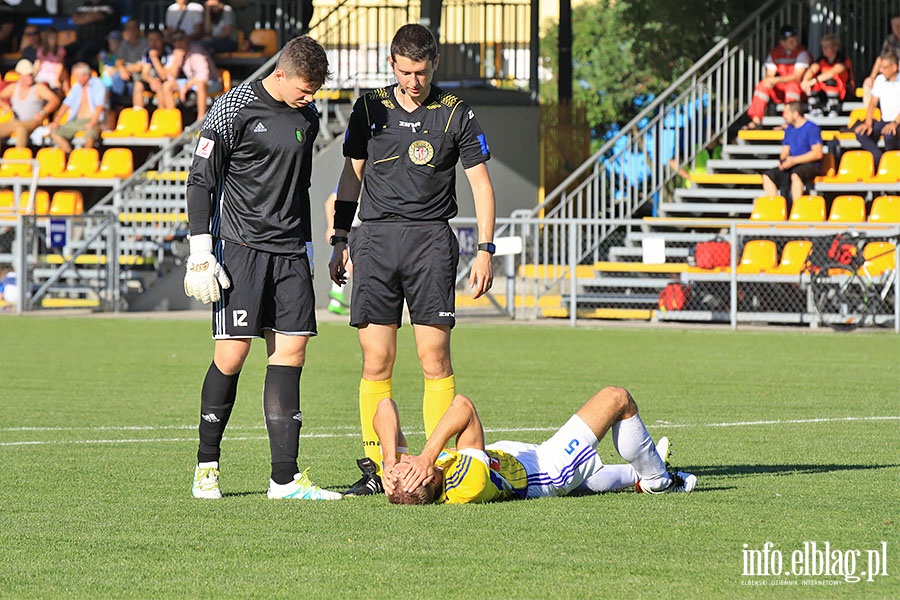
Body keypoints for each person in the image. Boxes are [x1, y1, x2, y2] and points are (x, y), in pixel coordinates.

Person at [328, 23, 497, 496]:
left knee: (433, 357)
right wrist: (340, 239)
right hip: (375, 242)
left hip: (430, 243)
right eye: (404, 72)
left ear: (434, 64)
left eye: (420, 72)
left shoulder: (455, 114)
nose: (413, 82)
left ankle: (439, 463)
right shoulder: (369, 107)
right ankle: (377, 469)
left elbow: (481, 187)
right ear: (391, 65)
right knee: (376, 359)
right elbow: (351, 177)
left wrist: (485, 250)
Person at [183, 36, 339, 501]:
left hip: (290, 254)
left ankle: (284, 480)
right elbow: (200, 180)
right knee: (231, 358)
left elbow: (300, 186)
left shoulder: (308, 118)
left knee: (291, 357)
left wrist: (310, 248)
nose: (310, 99)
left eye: (315, 92)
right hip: (240, 249)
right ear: (281, 74)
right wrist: (200, 249)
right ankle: (206, 468)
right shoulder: (233, 107)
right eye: (305, 89)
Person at [374, 387, 697, 505]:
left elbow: (384, 406)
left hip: (525, 460)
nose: (409, 459)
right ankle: (659, 481)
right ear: (428, 478)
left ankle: (639, 474)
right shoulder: (465, 484)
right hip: (549, 469)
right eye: (407, 466)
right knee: (616, 399)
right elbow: (463, 407)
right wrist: (430, 455)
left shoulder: (405, 475)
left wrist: (389, 460)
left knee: (597, 479)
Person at [743, 25, 811, 130]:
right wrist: (770, 80)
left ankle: (789, 121)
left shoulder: (802, 52)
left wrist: (776, 80)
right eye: (791, 41)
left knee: (791, 86)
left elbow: (797, 77)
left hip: (799, 91)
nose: (795, 43)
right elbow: (770, 74)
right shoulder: (774, 53)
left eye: (795, 40)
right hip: (781, 91)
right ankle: (756, 120)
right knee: (762, 85)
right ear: (782, 43)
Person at [761, 102, 823, 207]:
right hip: (793, 164)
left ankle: (796, 208)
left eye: (786, 113)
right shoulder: (789, 130)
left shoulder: (812, 128)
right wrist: (783, 161)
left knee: (796, 175)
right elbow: (785, 151)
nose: (784, 116)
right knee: (768, 176)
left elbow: (817, 154)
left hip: (810, 164)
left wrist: (794, 160)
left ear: (795, 114)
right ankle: (777, 209)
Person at [0, 59, 61, 149]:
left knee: (21, 129)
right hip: (16, 121)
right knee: (15, 126)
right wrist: (5, 106)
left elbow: (55, 100)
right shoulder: (13, 88)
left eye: (31, 75)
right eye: (28, 75)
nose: (31, 78)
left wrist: (43, 112)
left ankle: (20, 158)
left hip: (33, 121)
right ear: (21, 76)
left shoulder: (38, 88)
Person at [48, 62, 107, 154]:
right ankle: (70, 154)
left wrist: (92, 122)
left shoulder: (98, 85)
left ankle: (86, 157)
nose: (75, 78)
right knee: (54, 131)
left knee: (90, 133)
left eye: (77, 76)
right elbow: (65, 105)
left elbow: (99, 107)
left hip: (93, 119)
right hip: (76, 120)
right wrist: (56, 121)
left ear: (86, 76)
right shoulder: (76, 87)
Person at [165, 32, 222, 123]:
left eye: (180, 39)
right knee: (167, 86)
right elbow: (170, 78)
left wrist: (187, 86)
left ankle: (200, 122)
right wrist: (177, 61)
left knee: (200, 85)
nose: (178, 42)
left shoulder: (197, 52)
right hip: (192, 82)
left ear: (186, 39)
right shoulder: (175, 54)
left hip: (212, 82)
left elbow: (203, 77)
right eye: (174, 40)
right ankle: (173, 121)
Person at [854, 52, 900, 165]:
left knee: (889, 135)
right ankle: (879, 158)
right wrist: (868, 122)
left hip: (897, 121)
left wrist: (894, 123)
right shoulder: (880, 80)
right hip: (884, 120)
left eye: (884, 67)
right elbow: (873, 102)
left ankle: (892, 164)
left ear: (894, 67)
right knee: (861, 132)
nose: (881, 70)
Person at [800, 33, 853, 117]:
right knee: (813, 84)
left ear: (835, 47)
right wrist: (805, 81)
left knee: (830, 81)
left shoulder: (842, 59)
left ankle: (833, 109)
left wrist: (814, 81)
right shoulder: (822, 59)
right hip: (824, 92)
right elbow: (812, 69)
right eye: (823, 47)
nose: (823, 49)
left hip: (843, 91)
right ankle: (815, 109)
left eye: (827, 47)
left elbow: (832, 72)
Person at [323, 188, 356, 315]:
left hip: (357, 228)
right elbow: (329, 202)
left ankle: (336, 298)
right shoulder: (350, 182)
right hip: (347, 229)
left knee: (349, 263)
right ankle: (336, 293)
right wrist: (332, 227)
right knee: (345, 260)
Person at [66, 0, 118, 68]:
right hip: (81, 40)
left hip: (99, 41)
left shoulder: (108, 5)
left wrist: (83, 18)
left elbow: (98, 16)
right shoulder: (84, 5)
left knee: (82, 54)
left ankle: (86, 75)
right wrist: (90, 17)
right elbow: (75, 18)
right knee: (64, 52)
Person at [862, 12, 900, 106]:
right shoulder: (890, 40)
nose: (897, 29)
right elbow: (881, 58)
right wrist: (872, 77)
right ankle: (870, 115)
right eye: (894, 26)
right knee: (868, 84)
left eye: (898, 26)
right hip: (891, 73)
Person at [133, 30, 174, 111]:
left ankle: (161, 114)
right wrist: (151, 80)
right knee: (138, 85)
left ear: (162, 40)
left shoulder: (168, 52)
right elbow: (145, 74)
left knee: (159, 86)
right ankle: (138, 114)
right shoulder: (147, 52)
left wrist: (155, 59)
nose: (154, 43)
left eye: (156, 40)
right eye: (151, 40)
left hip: (165, 81)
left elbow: (164, 76)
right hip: (153, 80)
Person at [33, 27, 67, 95]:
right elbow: (37, 63)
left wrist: (57, 79)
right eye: (51, 37)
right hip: (42, 74)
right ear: (47, 38)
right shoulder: (41, 50)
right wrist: (33, 75)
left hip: (54, 75)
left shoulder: (60, 50)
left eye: (55, 37)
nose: (53, 39)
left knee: (57, 88)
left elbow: (60, 65)